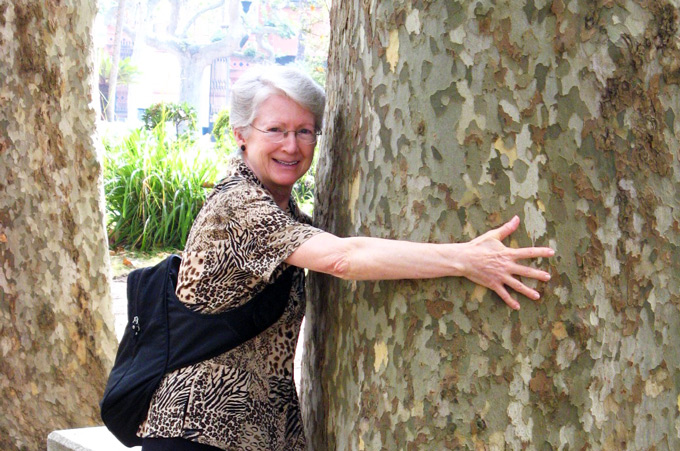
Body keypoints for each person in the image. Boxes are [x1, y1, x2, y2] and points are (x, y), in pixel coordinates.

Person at [137, 65, 554, 450]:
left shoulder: (287, 215)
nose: (291, 145)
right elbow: (344, 258)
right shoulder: (239, 208)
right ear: (241, 134)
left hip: (255, 432)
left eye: (305, 131)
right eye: (276, 129)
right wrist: (465, 259)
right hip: (197, 429)